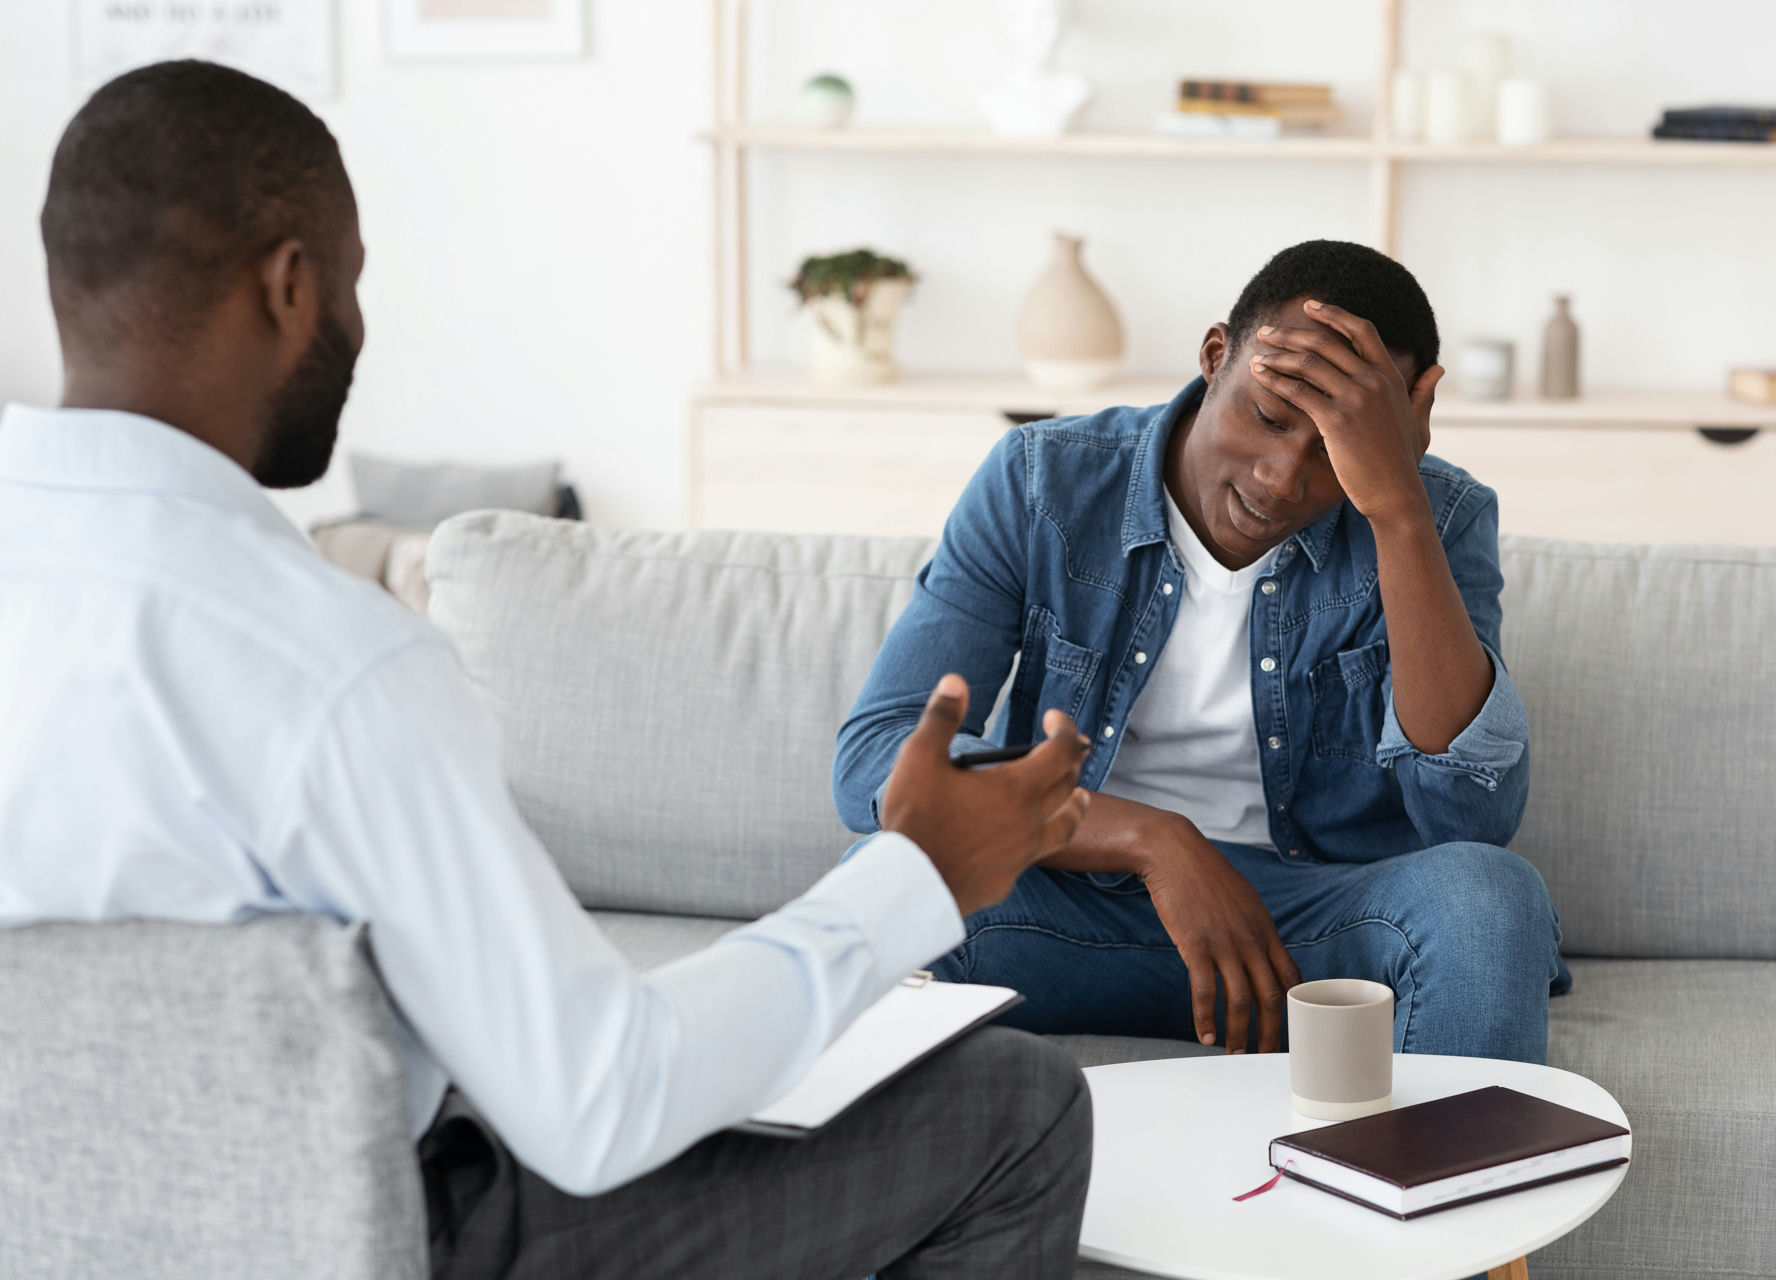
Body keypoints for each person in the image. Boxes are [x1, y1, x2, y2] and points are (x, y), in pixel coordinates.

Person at [0, 61, 1099, 1280]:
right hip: (382, 1242)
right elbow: (601, 1098)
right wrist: (915, 873)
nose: (359, 331)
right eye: (354, 285)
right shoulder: (330, 670)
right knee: (1015, 1105)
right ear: (291, 285)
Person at [835, 239, 1572, 1062]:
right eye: (1266, 416)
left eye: (1335, 447)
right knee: (884, 880)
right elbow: (877, 762)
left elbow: (1473, 817)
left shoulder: (1439, 518)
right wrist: (1154, 842)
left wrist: (1396, 506)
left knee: (1489, 899)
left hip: (1317, 932)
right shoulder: (1041, 482)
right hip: (1072, 906)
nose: (1281, 479)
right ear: (1217, 354)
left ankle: (1430, 1189)